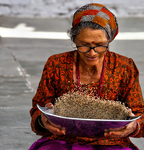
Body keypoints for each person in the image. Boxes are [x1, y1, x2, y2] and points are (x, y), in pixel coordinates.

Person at [29, 3, 144, 150]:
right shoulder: (57, 64)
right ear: (74, 39)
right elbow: (38, 108)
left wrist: (133, 126)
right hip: (62, 139)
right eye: (84, 45)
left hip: (110, 142)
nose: (92, 53)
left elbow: (140, 114)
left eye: (101, 45)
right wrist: (42, 119)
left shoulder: (124, 67)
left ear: (110, 40)